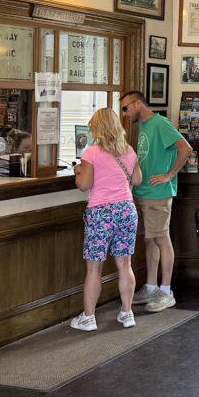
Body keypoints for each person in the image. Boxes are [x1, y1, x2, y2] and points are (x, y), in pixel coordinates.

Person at [69, 107, 142, 331]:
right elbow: (137, 179)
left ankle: (89, 318)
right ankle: (127, 313)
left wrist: (78, 171)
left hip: (101, 212)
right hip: (127, 210)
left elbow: (84, 185)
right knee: (125, 264)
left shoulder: (91, 153)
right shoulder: (128, 150)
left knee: (94, 268)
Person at [120, 90, 193, 312]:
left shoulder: (160, 123)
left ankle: (166, 290)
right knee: (150, 239)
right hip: (143, 191)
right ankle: (151, 287)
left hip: (158, 192)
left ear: (139, 103)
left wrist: (169, 175)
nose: (124, 114)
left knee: (161, 238)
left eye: (126, 108)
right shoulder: (142, 126)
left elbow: (185, 148)